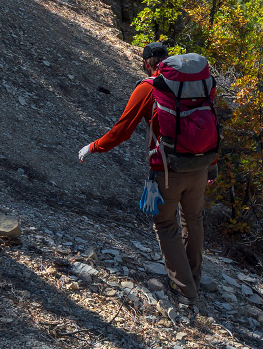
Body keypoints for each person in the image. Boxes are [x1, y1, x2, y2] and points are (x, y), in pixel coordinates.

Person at [79, 41, 209, 306]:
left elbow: (122, 130)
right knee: (193, 221)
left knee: (165, 224)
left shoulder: (149, 88)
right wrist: (213, 165)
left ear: (145, 63)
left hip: (168, 170)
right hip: (200, 166)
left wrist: (93, 147)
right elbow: (209, 124)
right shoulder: (196, 85)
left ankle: (186, 291)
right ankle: (193, 279)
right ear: (166, 60)